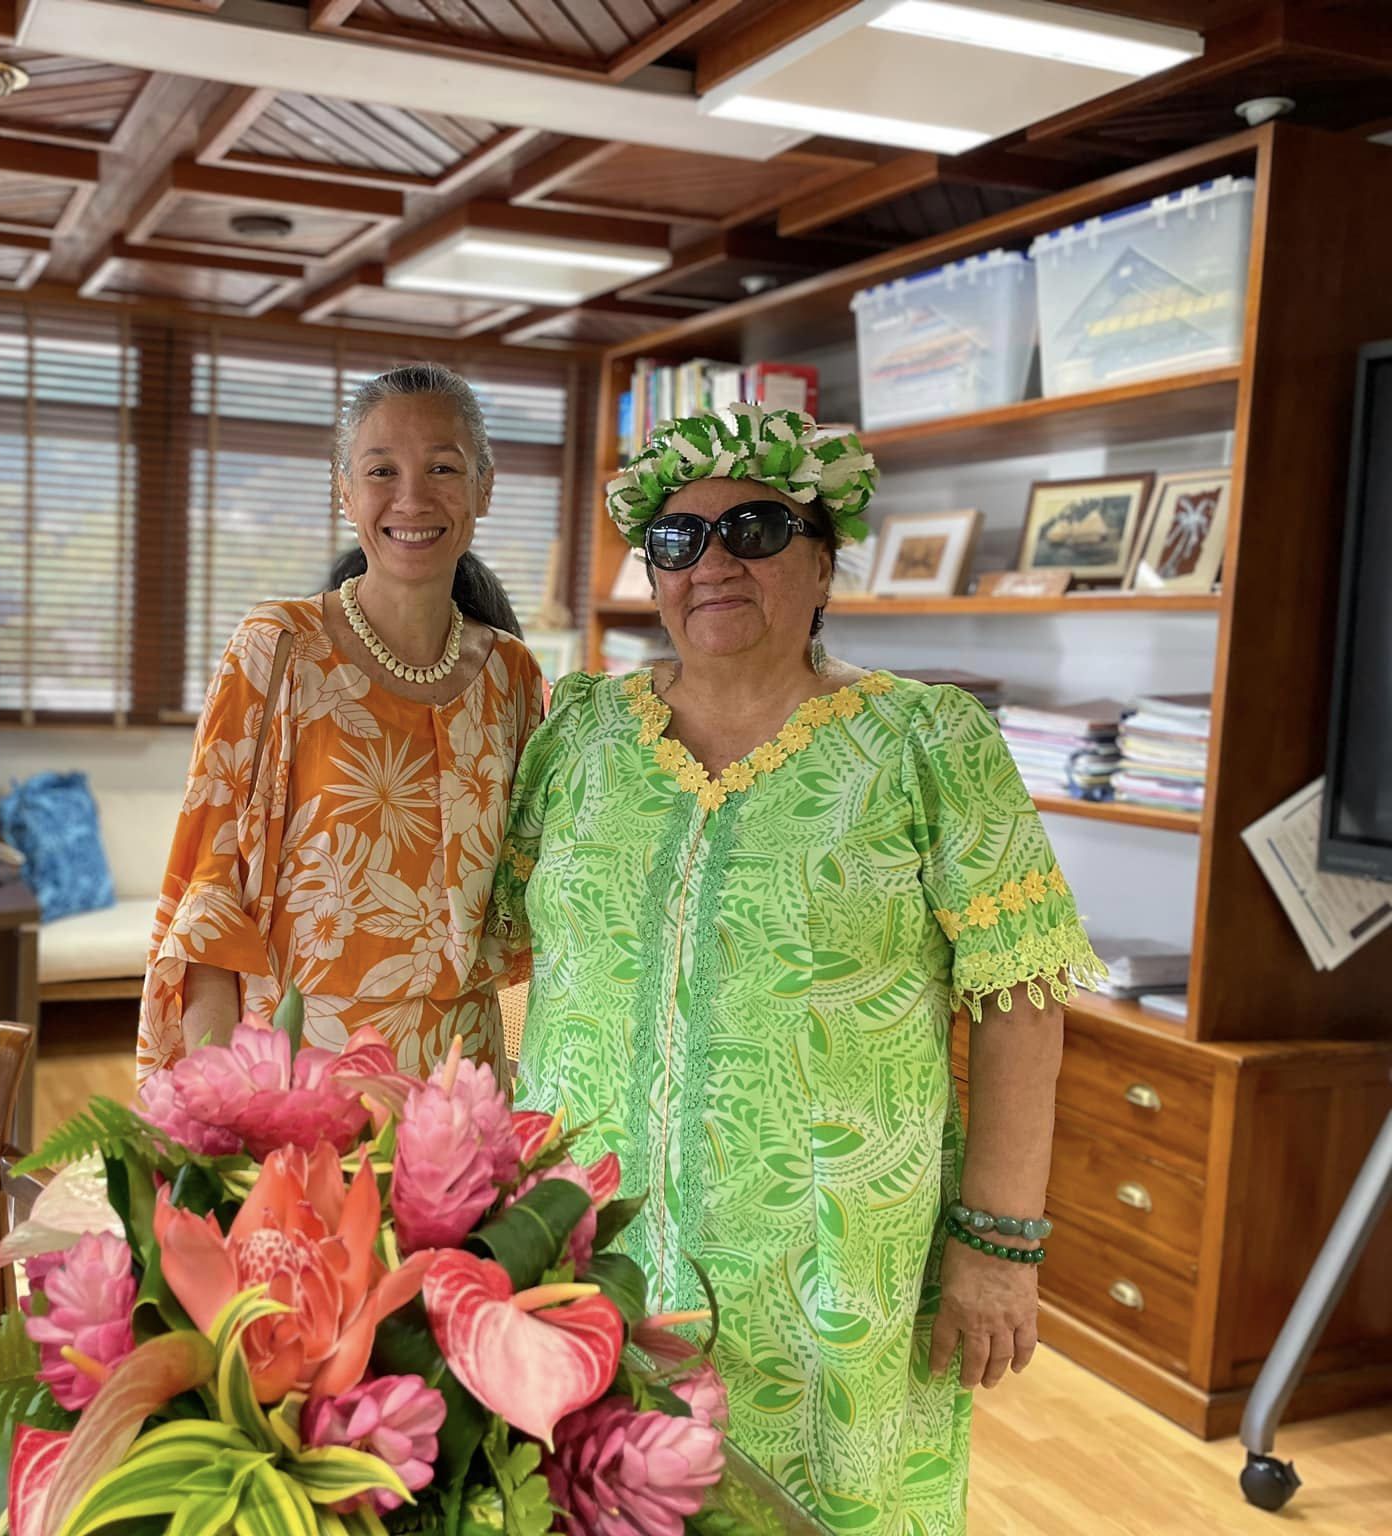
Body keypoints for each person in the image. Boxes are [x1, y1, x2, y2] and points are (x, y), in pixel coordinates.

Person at [494, 405, 1102, 1535]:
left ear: (822, 561)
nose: (710, 563)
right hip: (590, 1242)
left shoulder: (927, 744)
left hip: (833, 1267)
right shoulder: (576, 735)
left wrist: (998, 1246)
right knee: (582, 1494)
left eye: (755, 530)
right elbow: (499, 951)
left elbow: (1018, 998)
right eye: (676, 541)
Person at [139, 363, 547, 1081]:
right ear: (344, 490)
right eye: (382, 469)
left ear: (484, 486)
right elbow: (210, 904)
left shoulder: (513, 676)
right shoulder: (279, 649)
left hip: (460, 1076)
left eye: (443, 466)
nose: (412, 498)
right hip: (298, 1072)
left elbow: (534, 897)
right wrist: (223, 1110)